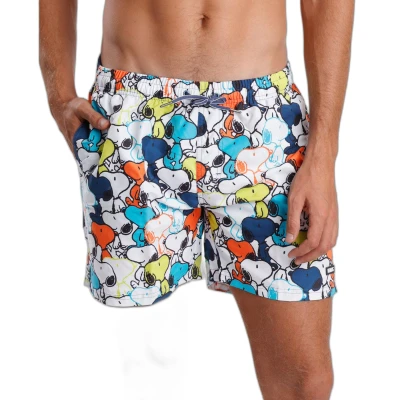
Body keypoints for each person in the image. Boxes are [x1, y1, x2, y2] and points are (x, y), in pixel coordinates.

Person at [39, 0, 354, 398]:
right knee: (130, 359)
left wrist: (323, 156)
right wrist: (59, 96)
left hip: (262, 117)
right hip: (134, 116)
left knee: (305, 381)